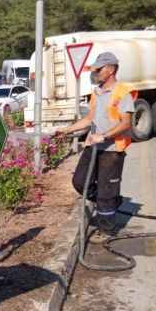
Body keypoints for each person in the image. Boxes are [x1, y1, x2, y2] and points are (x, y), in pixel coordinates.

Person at [56, 52, 135, 234]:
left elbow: (125, 123)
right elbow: (90, 119)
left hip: (112, 149)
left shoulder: (123, 93)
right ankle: (107, 201)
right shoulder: (97, 92)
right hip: (94, 146)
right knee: (80, 181)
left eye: (99, 70)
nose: (96, 73)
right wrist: (66, 131)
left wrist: (104, 136)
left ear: (111, 69)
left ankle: (107, 231)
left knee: (106, 191)